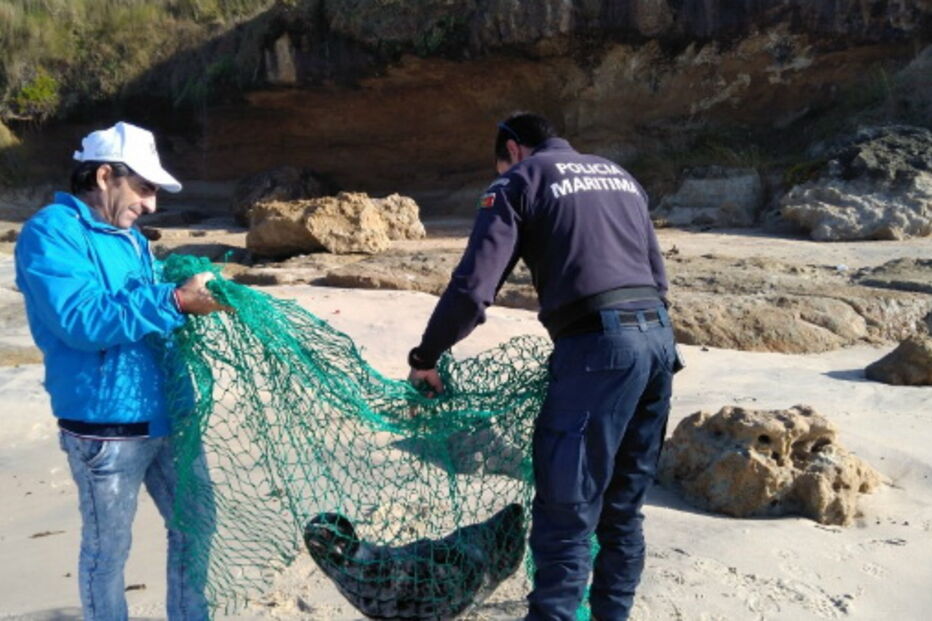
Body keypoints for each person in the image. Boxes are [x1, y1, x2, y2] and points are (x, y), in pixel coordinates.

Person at [407, 113, 676, 620]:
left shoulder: (518, 181)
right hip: (659, 341)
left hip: (598, 350)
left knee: (566, 515)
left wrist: (427, 356)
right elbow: (658, 278)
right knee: (621, 512)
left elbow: (473, 289)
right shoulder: (619, 175)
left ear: (512, 148)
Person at [15, 121, 224, 620]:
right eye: (145, 187)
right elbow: (82, 320)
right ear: (105, 175)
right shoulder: (50, 234)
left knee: (196, 526)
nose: (152, 204)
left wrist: (179, 289)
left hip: (169, 414)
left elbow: (134, 304)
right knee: (108, 553)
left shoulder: (129, 237)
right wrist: (176, 299)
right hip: (105, 430)